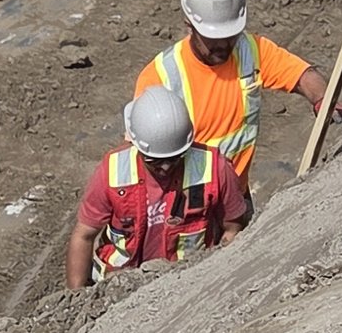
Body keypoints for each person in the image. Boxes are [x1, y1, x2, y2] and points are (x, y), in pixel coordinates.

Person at [131, 0, 342, 217]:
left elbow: (302, 75)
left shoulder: (251, 51)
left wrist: (323, 99)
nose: (223, 45)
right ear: (189, 24)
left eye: (230, 35)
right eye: (213, 38)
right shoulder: (159, 77)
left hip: (236, 196)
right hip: (184, 207)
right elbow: (143, 158)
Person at [67, 89, 242, 289]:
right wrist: (75, 299)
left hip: (184, 284)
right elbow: (83, 236)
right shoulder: (113, 171)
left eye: (174, 158)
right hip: (116, 288)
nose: (166, 167)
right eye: (154, 161)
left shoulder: (213, 168)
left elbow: (232, 230)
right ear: (135, 144)